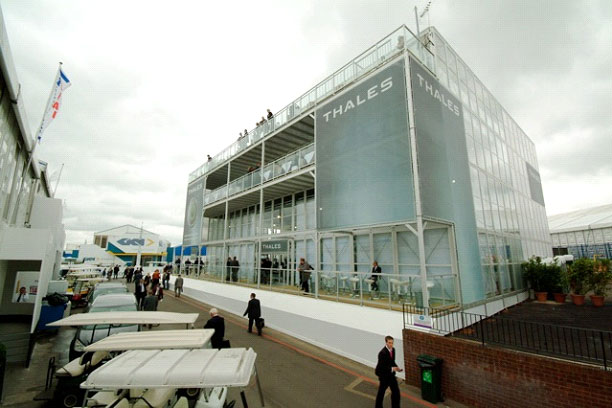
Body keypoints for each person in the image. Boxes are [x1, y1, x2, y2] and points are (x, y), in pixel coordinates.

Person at [375, 335, 402, 408]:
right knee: (381, 393)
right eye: (389, 343)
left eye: (392, 343)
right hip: (383, 375)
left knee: (396, 392)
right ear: (386, 343)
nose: (391, 344)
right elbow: (382, 367)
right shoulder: (382, 353)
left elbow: (392, 362)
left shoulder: (393, 350)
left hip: (391, 375)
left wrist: (397, 368)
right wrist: (392, 369)